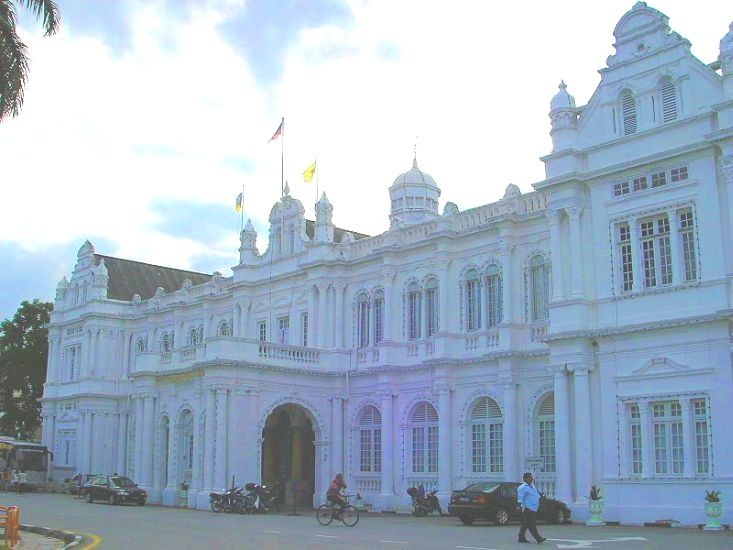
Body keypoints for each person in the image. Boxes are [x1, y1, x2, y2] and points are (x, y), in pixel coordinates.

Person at [517, 472, 547, 544]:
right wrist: (518, 507)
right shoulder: (522, 488)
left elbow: (536, 495)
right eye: (530, 477)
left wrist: (541, 497)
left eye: (532, 477)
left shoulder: (532, 486)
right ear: (526, 479)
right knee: (531, 524)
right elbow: (520, 498)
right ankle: (538, 538)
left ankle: (521, 537)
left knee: (526, 523)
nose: (532, 479)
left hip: (534, 507)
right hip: (527, 508)